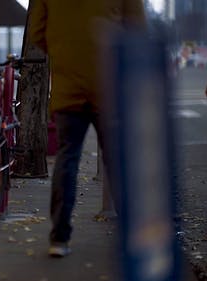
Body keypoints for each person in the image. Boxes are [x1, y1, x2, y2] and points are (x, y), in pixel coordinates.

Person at [28, 0, 146, 257]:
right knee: (117, 162)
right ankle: (130, 236)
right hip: (109, 85)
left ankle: (59, 238)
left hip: (67, 87)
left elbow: (36, 32)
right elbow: (137, 29)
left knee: (66, 159)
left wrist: (63, 53)